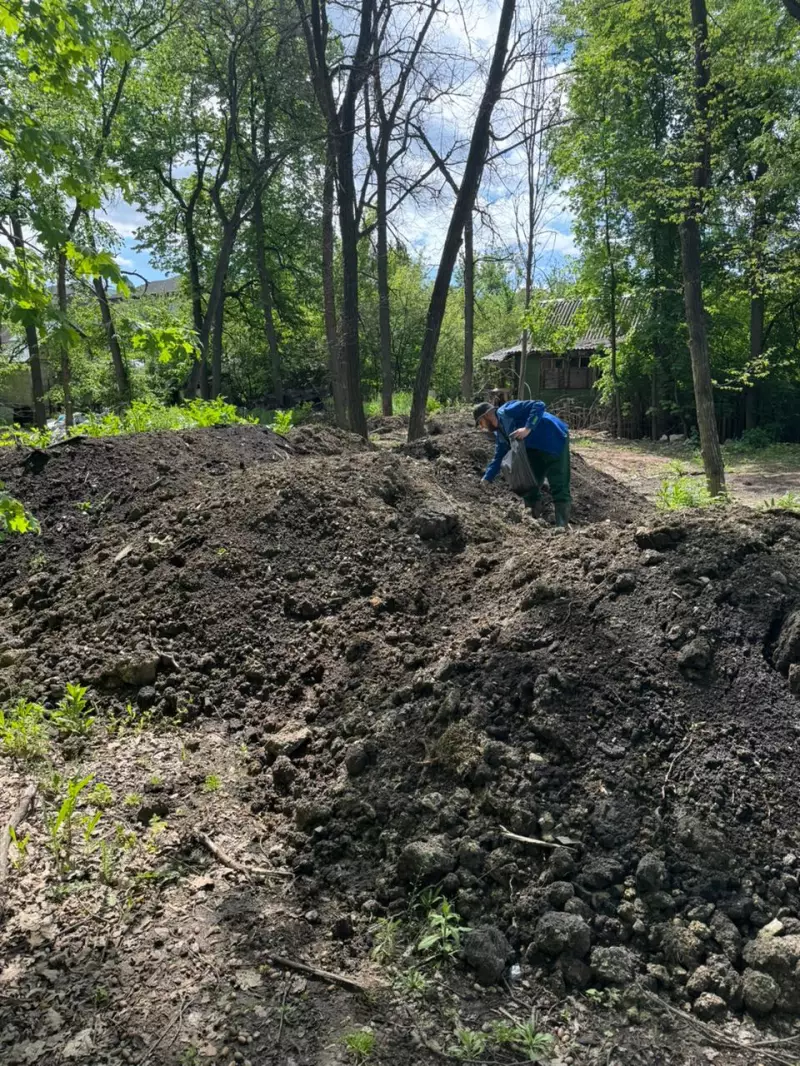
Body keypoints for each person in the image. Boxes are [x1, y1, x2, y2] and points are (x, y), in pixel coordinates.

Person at [474, 399, 571, 527]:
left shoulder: (507, 410)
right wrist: (486, 479)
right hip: (534, 449)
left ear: (486, 416)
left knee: (559, 483)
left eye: (481, 423)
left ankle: (562, 527)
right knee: (529, 484)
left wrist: (527, 428)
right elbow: (498, 457)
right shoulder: (501, 433)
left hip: (553, 439)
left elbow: (539, 405)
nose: (483, 427)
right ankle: (533, 522)